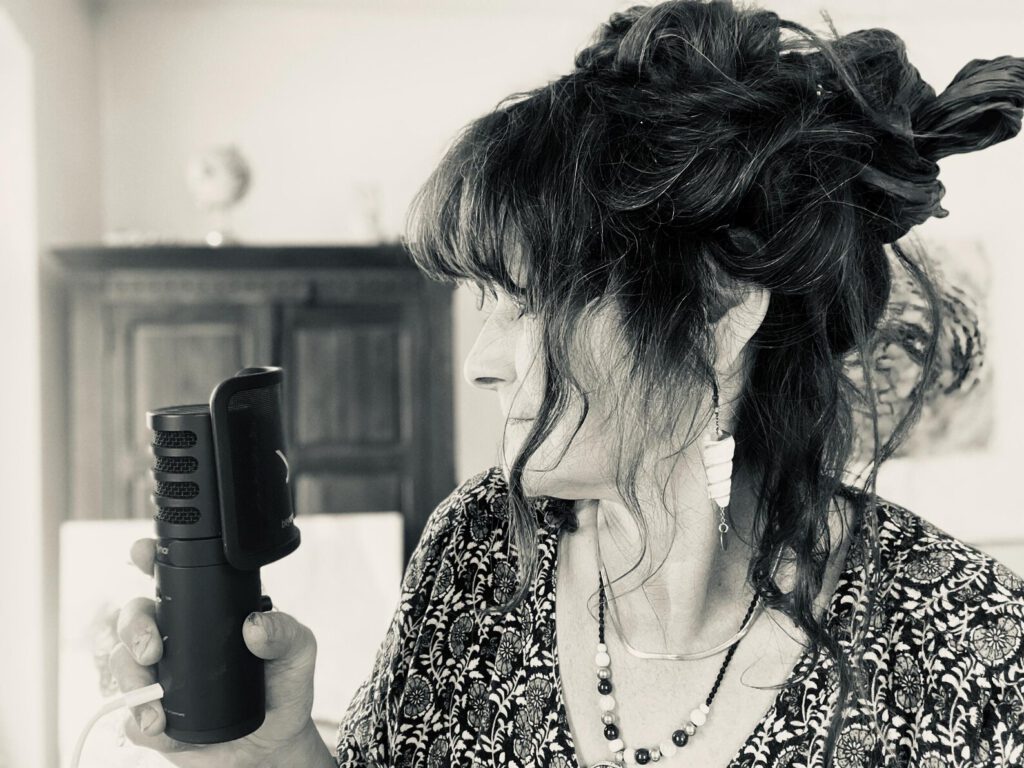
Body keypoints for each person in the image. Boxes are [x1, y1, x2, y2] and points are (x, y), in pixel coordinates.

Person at [110, 1, 1024, 766]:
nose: (480, 360)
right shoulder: (475, 555)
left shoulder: (976, 652)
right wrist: (274, 753)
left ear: (716, 313)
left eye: (525, 302)